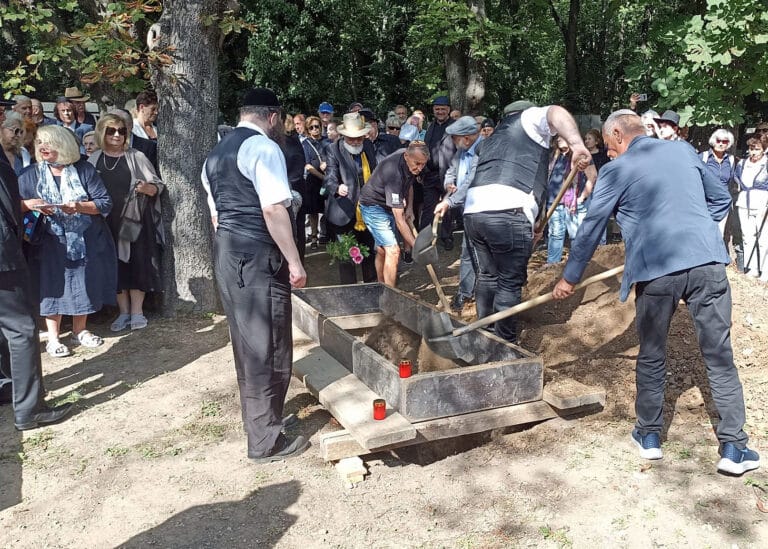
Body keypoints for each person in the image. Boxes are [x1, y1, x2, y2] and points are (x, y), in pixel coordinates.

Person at [552, 109, 759, 475]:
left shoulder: (616, 170)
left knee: (652, 353)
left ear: (616, 133)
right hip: (707, 264)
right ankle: (734, 448)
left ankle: (649, 436)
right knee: (719, 355)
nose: (609, 153)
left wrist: (569, 277)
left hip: (656, 270)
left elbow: (591, 227)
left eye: (609, 144)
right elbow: (720, 198)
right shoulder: (682, 151)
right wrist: (694, 228)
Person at [203, 88, 308, 462]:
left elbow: (217, 216)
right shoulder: (263, 148)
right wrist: (294, 262)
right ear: (274, 116)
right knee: (268, 345)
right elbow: (273, 210)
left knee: (248, 343)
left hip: (228, 252)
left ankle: (263, 424)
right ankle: (265, 441)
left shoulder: (216, 153)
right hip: (257, 254)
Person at [463, 100, 591, 343]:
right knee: (509, 281)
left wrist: (536, 222)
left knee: (489, 276)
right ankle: (505, 343)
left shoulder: (494, 139)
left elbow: (530, 178)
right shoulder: (527, 119)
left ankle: (485, 332)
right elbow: (556, 111)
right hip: (507, 210)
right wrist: (576, 144)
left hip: (474, 213)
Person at [18, 125, 116, 358]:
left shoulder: (83, 169)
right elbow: (14, 205)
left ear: (63, 145)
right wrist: (32, 205)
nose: (42, 147)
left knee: (82, 283)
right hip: (48, 239)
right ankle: (53, 338)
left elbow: (104, 203)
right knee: (52, 285)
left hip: (82, 238)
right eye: (40, 142)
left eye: (49, 142)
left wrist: (79, 206)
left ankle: (79, 330)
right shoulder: (30, 174)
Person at [0, 152, 73, 429]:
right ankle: (30, 410)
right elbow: (8, 206)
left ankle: (7, 385)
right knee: (21, 329)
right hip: (3, 256)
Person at [88, 113, 164, 331]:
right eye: (111, 130)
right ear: (102, 132)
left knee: (138, 264)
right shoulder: (94, 160)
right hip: (106, 223)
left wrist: (146, 189)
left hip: (134, 222)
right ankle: (122, 313)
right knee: (115, 266)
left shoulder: (136, 156)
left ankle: (137, 312)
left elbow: (157, 185)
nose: (117, 135)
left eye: (122, 131)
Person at [359, 142, 426, 286]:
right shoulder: (394, 172)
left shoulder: (409, 160)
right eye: (417, 163)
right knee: (394, 251)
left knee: (383, 250)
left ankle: (381, 286)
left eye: (423, 164)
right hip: (373, 205)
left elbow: (409, 184)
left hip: (387, 204)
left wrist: (409, 209)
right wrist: (416, 245)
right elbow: (400, 221)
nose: (420, 168)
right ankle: (391, 296)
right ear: (406, 156)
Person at [434, 116, 483, 310]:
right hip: (467, 209)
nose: (453, 142)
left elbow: (472, 181)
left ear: (467, 138)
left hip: (482, 210)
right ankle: (465, 293)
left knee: (480, 254)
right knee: (467, 252)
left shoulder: (482, 151)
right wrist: (448, 183)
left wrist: (449, 201)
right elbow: (451, 170)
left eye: (455, 138)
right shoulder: (462, 151)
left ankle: (482, 295)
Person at [323, 112, 378, 284]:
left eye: (358, 138)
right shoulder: (333, 149)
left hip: (367, 208)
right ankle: (350, 294)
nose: (355, 142)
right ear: (343, 135)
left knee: (370, 252)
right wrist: (337, 187)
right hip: (343, 210)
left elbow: (375, 172)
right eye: (351, 138)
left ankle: (371, 289)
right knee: (347, 256)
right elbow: (329, 176)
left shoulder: (368, 146)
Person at [544, 136, 596, 265]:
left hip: (573, 203)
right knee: (555, 235)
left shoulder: (581, 155)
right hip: (553, 202)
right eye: (559, 137)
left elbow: (593, 176)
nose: (560, 139)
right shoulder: (553, 155)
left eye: (563, 136)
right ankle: (552, 266)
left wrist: (582, 197)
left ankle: (576, 265)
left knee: (576, 236)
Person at [422, 96, 457, 250]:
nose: (440, 111)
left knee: (447, 208)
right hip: (430, 174)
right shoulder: (431, 126)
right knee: (428, 208)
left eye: (443, 109)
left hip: (448, 173)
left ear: (448, 110)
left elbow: (459, 151)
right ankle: (425, 239)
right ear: (433, 110)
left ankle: (447, 237)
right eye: (437, 109)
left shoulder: (455, 126)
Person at [734, 133, 768, 281]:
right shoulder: (742, 164)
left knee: (764, 239)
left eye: (757, 149)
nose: (753, 152)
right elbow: (737, 179)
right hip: (744, 202)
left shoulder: (766, 163)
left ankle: (765, 270)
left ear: (763, 149)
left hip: (762, 202)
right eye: (751, 148)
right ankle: (752, 268)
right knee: (747, 237)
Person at [301, 115, 327, 251]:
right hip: (313, 181)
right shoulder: (305, 144)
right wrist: (321, 176)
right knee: (313, 211)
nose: (315, 129)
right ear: (307, 129)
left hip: (329, 179)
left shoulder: (327, 142)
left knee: (328, 209)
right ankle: (314, 236)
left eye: (317, 126)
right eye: (311, 127)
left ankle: (328, 235)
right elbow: (307, 165)